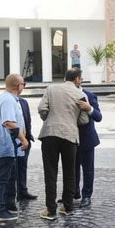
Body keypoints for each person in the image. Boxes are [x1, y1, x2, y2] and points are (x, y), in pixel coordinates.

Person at [37, 68, 90, 220]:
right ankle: (68, 207)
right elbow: (84, 120)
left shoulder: (51, 88)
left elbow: (42, 108)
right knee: (70, 172)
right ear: (77, 79)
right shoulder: (81, 95)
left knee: (50, 172)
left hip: (50, 134)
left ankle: (51, 210)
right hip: (70, 135)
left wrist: (48, 118)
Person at [0, 74, 29, 222]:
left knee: (4, 177)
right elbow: (8, 122)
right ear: (19, 86)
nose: (24, 87)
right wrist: (24, 140)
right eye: (24, 84)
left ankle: (4, 206)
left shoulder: (1, 98)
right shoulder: (9, 100)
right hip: (5, 145)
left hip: (2, 144)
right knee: (1, 179)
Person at [75, 84, 102, 208]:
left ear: (78, 80)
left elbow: (98, 116)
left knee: (88, 170)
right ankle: (73, 192)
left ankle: (86, 196)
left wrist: (89, 108)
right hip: (70, 138)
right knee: (71, 169)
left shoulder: (89, 95)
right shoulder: (65, 94)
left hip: (86, 139)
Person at [16, 94, 37, 201]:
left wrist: (28, 136)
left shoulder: (24, 102)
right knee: (13, 168)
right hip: (14, 141)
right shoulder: (8, 102)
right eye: (22, 84)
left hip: (26, 139)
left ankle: (22, 191)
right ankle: (12, 194)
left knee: (23, 166)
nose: (23, 86)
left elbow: (27, 120)